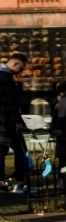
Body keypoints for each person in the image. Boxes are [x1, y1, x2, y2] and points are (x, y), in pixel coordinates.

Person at [0, 52, 26, 191]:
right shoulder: (5, 77)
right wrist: (17, 120)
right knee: (19, 150)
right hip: (6, 119)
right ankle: (19, 179)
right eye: (21, 68)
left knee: (2, 150)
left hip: (5, 117)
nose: (20, 72)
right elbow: (9, 101)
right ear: (15, 64)